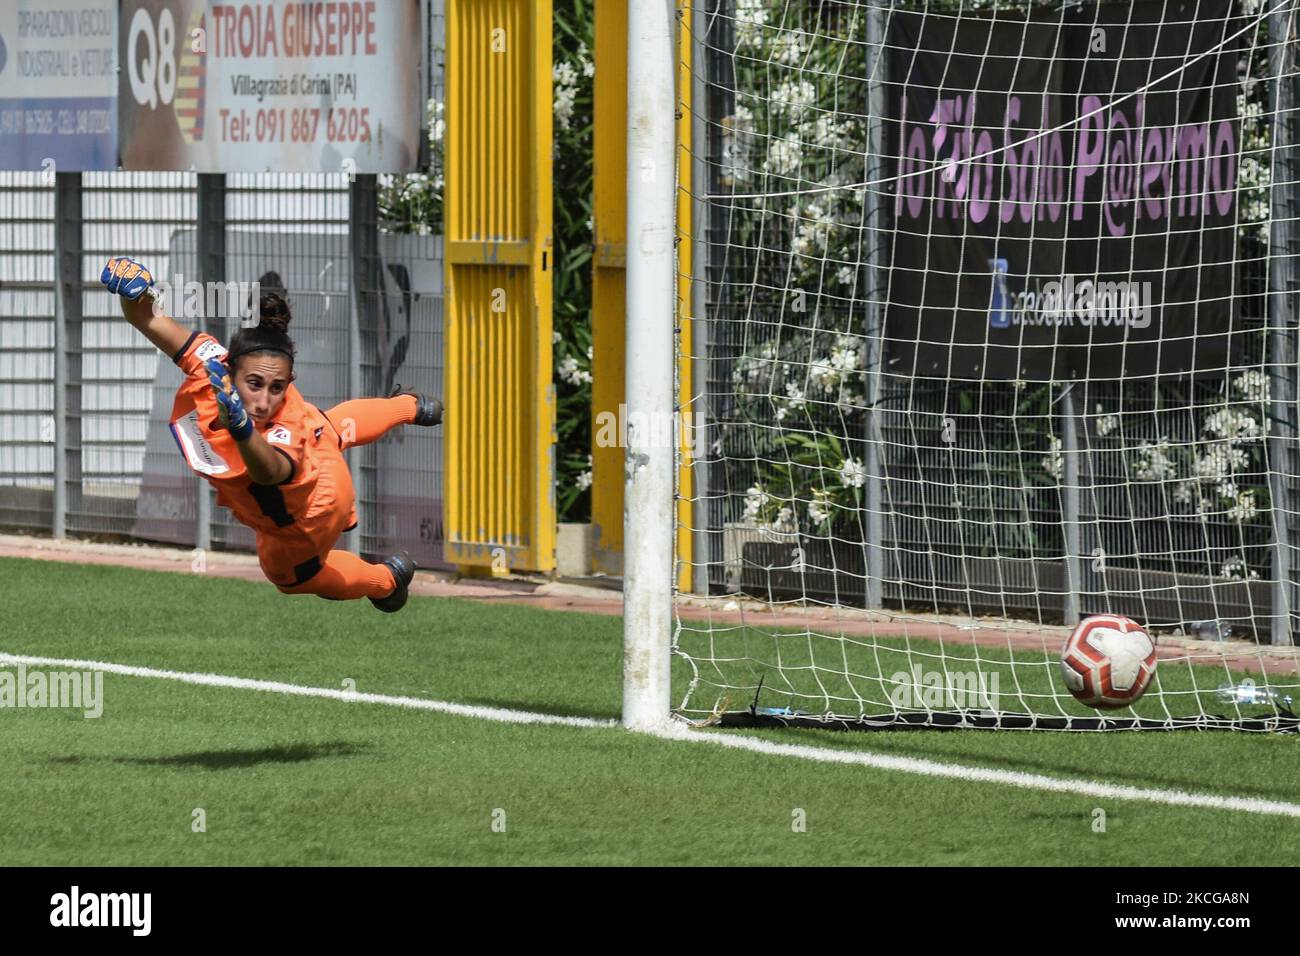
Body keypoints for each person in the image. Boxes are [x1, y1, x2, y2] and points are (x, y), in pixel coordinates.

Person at [101, 256, 443, 612]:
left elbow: (269, 471)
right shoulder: (210, 361)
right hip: (317, 443)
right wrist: (133, 291)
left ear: (289, 383)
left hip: (312, 508)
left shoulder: (281, 427)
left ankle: (387, 582)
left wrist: (242, 428)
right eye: (254, 384)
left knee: (290, 575)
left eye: (277, 387)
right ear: (229, 368)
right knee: (331, 427)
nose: (264, 400)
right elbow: (146, 316)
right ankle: (412, 406)